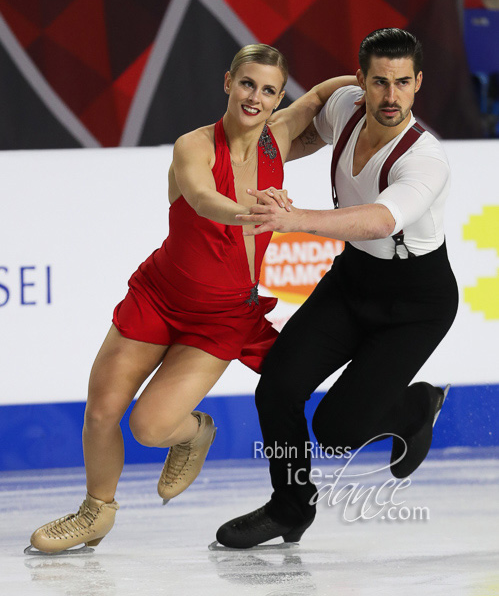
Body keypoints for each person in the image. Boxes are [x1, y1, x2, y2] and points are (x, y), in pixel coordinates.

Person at [26, 44, 359, 554]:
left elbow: (317, 96)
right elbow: (203, 199)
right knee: (100, 412)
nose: (256, 97)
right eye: (247, 83)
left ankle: (192, 433)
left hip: (223, 317)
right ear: (228, 82)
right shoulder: (194, 146)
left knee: (149, 425)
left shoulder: (279, 138)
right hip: (160, 297)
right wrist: (256, 212)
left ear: (277, 99)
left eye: (268, 90)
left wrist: (369, 80)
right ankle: (95, 512)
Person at [216, 28, 459, 549]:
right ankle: (290, 508)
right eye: (378, 82)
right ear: (362, 81)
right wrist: (272, 138)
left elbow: (377, 221)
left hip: (416, 302)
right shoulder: (347, 104)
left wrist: (293, 217)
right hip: (354, 280)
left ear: (418, 83)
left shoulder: (425, 159)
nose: (390, 97)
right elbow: (323, 98)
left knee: (336, 430)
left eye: (401, 83)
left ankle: (413, 409)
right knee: (277, 386)